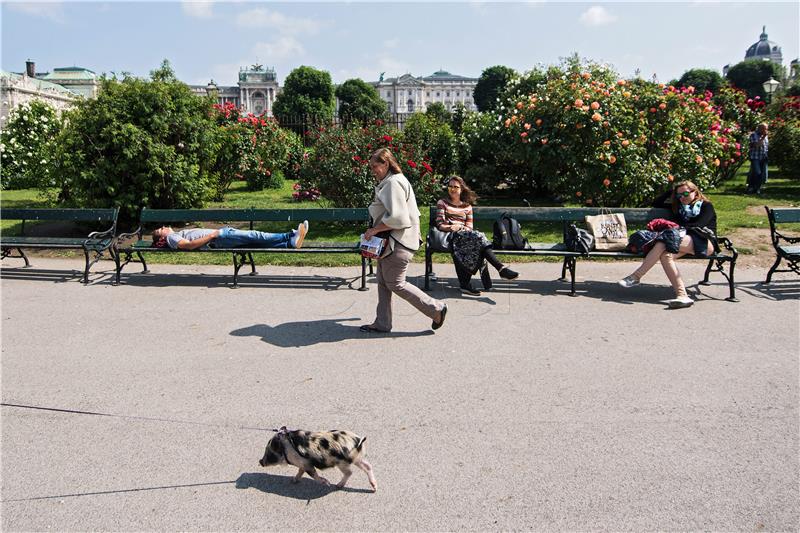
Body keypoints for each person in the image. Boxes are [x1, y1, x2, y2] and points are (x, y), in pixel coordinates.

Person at [360, 148, 447, 333]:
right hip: (392, 242)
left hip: (397, 242)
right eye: (371, 166)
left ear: (386, 163)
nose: (373, 170)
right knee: (383, 281)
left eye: (375, 166)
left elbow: (399, 219)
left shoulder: (393, 183)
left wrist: (374, 230)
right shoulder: (391, 182)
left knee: (395, 283)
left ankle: (436, 308)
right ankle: (382, 323)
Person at [618, 180, 718, 309]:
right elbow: (656, 203)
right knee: (666, 255)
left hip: (704, 243)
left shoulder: (706, 206)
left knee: (664, 241)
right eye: (679, 195)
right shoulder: (678, 207)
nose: (682, 198)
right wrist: (672, 191)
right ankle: (682, 296)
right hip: (682, 241)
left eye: (686, 193)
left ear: (695, 192)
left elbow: (698, 225)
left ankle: (636, 276)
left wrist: (679, 229)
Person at [435, 176, 519, 296]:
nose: (452, 189)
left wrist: (462, 228)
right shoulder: (442, 203)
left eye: (456, 187)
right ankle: (501, 269)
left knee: (478, 239)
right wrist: (451, 227)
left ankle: (466, 284)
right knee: (480, 239)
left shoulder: (467, 206)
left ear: (462, 189)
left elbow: (469, 227)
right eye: (450, 186)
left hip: (465, 235)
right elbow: (439, 223)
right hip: (450, 236)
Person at [152, 221, 308, 250]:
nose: (163, 227)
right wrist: (213, 234)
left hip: (219, 238)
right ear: (162, 238)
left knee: (255, 242)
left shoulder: (175, 234)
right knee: (256, 235)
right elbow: (188, 246)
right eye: (160, 230)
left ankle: (290, 244)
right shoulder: (171, 238)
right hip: (220, 236)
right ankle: (290, 235)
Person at [746, 123, 769, 194]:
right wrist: (763, 137)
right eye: (764, 129)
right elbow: (756, 145)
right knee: (757, 172)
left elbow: (765, 147)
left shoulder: (765, 136)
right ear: (759, 128)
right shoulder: (754, 135)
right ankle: (751, 187)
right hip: (755, 157)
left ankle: (757, 188)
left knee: (762, 175)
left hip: (763, 157)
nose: (766, 130)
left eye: (766, 129)